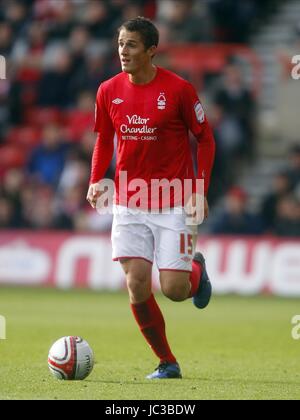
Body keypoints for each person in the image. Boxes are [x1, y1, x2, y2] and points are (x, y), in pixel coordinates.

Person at [87, 17, 215, 379]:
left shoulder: (178, 90)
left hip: (174, 200)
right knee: (136, 282)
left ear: (151, 49)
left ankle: (197, 270)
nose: (122, 52)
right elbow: (103, 139)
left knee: (175, 290)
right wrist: (96, 178)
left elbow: (205, 138)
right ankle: (166, 362)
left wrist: (199, 189)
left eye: (131, 45)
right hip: (129, 200)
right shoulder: (107, 90)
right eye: (120, 44)